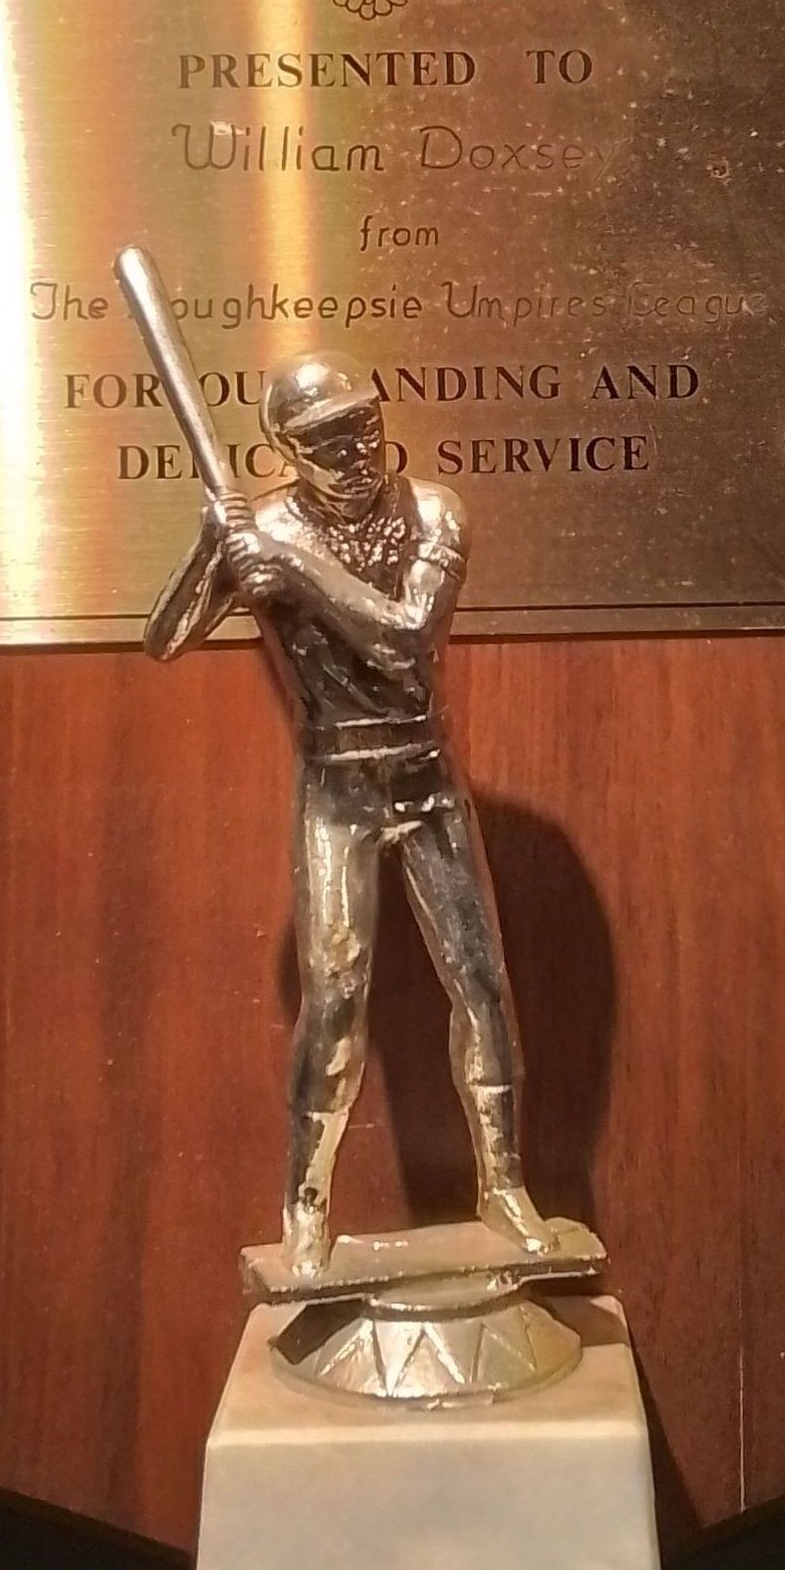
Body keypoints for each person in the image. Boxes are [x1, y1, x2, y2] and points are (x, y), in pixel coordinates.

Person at [145, 352, 551, 1276]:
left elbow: (408, 638)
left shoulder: (433, 512)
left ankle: (504, 1183)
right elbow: (164, 641)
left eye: (364, 427)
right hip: (336, 789)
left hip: (426, 775)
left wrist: (292, 567)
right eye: (329, 440)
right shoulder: (266, 527)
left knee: (482, 986)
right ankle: (306, 1204)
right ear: (287, 451)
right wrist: (213, 547)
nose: (358, 450)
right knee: (333, 1001)